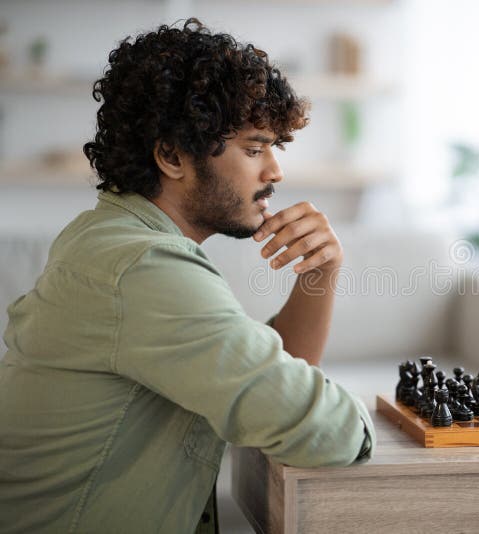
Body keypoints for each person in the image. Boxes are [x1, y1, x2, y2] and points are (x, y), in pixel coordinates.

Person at [0, 19, 374, 533]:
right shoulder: (144, 268)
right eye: (253, 148)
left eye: (274, 148)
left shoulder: (110, 238)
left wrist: (322, 272)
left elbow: (279, 384)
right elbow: (326, 430)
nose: (275, 172)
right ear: (172, 155)